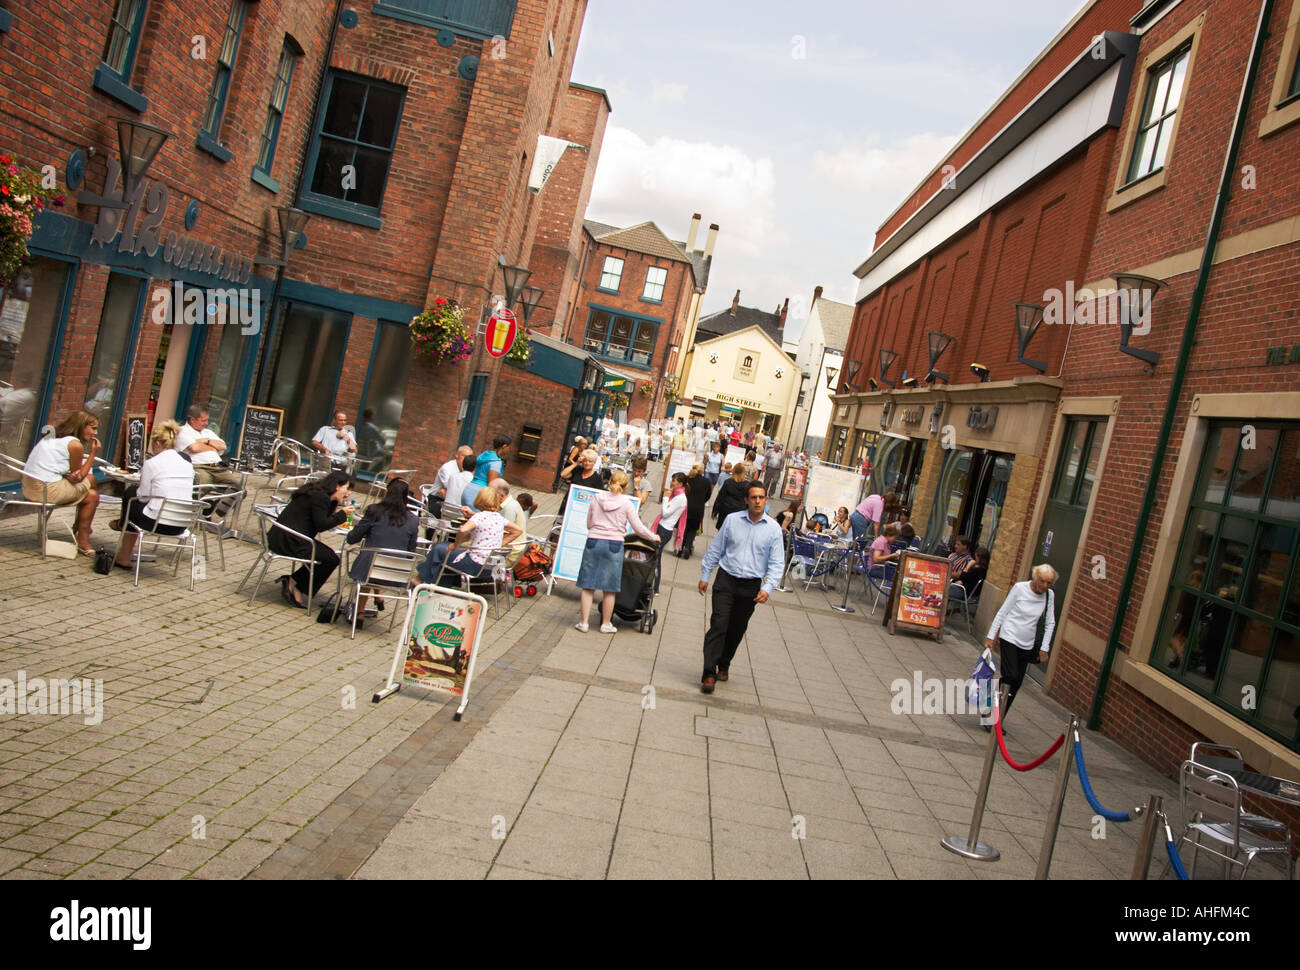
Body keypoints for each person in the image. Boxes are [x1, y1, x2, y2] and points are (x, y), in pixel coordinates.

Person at [698, 481, 785, 694]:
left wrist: (768, 587)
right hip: (726, 579)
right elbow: (716, 548)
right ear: (746, 500)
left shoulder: (773, 529)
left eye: (761, 497)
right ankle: (709, 673)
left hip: (751, 586)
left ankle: (724, 662)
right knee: (718, 624)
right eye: (753, 497)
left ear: (766, 500)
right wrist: (705, 574)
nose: (757, 501)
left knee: (737, 629)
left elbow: (777, 563)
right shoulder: (732, 520)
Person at [575, 469, 660, 633]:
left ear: (610, 481)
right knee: (609, 588)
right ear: (626, 485)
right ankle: (606, 624)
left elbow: (589, 523)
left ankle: (583, 623)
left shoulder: (596, 498)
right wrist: (653, 537)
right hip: (614, 543)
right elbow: (638, 527)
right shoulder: (626, 503)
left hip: (594, 541)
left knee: (588, 586)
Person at [111, 420, 195, 569]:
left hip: (157, 523)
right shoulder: (188, 465)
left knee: (131, 495)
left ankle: (123, 541)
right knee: (136, 502)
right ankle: (122, 528)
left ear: (157, 444)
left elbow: (143, 497)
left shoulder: (152, 463)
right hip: (181, 525)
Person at [984, 564, 1058, 725]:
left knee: (1016, 682)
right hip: (1009, 636)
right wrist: (991, 636)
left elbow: (1050, 623)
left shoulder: (1049, 596)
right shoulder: (1020, 588)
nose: (1045, 586)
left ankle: (998, 717)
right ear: (1035, 577)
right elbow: (1002, 612)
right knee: (1010, 676)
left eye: (1049, 583)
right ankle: (991, 715)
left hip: (1028, 642)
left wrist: (1045, 648)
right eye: (1042, 581)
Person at [21, 410, 100, 554]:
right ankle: (83, 533)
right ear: (82, 426)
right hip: (46, 491)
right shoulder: (75, 445)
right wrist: (94, 453)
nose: (95, 433)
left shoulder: (52, 437)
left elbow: (67, 472)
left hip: (29, 486)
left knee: (92, 496)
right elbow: (79, 478)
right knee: (92, 480)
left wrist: (68, 475)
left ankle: (83, 533)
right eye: (93, 428)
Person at [343, 478, 418, 625]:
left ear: (387, 492)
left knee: (371, 559)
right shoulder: (413, 520)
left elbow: (352, 539)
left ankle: (359, 613)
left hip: (369, 570)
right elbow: (410, 552)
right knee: (379, 559)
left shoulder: (375, 511)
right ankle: (376, 598)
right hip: (396, 574)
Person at [272, 470, 351, 608]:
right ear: (337, 486)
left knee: (325, 555)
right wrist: (342, 514)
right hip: (290, 541)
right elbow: (321, 525)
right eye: (347, 488)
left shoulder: (314, 491)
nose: (348, 493)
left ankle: (295, 583)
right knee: (332, 559)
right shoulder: (322, 498)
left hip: (281, 536)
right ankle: (295, 583)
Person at [419, 486, 521, 585]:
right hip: (490, 567)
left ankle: (420, 580)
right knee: (449, 552)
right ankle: (444, 586)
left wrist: (455, 545)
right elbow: (518, 530)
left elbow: (463, 530)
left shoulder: (479, 517)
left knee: (440, 549)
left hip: (475, 565)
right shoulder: (499, 518)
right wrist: (498, 545)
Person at [175, 406, 242, 506]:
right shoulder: (182, 431)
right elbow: (194, 448)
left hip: (217, 467)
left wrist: (207, 441)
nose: (206, 423)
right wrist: (212, 447)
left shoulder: (208, 432)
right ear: (192, 420)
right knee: (204, 485)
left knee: (238, 488)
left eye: (207, 420)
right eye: (203, 420)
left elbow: (222, 446)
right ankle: (186, 507)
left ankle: (212, 509)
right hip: (199, 466)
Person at [461, 433, 511, 508]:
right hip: (479, 494)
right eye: (509, 447)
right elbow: (492, 485)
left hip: (468, 489)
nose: (509, 450)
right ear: (504, 446)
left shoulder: (484, 455)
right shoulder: (496, 462)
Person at [657, 472, 688, 590]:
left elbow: (665, 513)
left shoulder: (680, 498)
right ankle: (654, 586)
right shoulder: (677, 496)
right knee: (656, 557)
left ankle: (655, 587)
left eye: (674, 480)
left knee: (656, 558)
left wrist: (665, 498)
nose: (671, 482)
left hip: (665, 529)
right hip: (664, 528)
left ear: (680, 484)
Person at [428, 444, 474, 519]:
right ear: (456, 455)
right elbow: (451, 487)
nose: (466, 459)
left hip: (453, 501)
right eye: (464, 456)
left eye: (469, 457)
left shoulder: (468, 471)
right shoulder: (447, 468)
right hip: (437, 499)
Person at [679, 463, 712, 559]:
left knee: (684, 527)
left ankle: (681, 546)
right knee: (693, 529)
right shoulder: (706, 482)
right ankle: (688, 547)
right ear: (702, 470)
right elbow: (708, 495)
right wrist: (701, 501)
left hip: (686, 507)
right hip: (698, 509)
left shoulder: (687, 479)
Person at [712, 461, 752, 530]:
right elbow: (749, 500)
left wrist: (715, 510)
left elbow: (720, 497)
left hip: (726, 510)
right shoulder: (747, 485)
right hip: (740, 512)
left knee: (723, 531)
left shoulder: (728, 482)